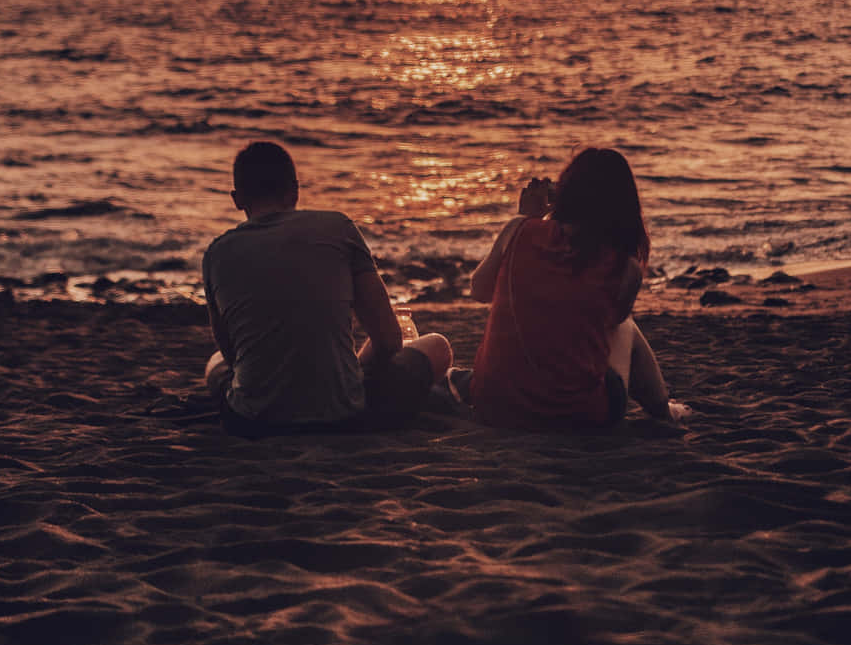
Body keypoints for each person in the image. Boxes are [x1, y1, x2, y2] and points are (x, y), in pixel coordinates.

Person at [202, 141, 452, 437]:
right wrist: (353, 372)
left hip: (252, 423)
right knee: (437, 345)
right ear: (294, 189)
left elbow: (232, 356)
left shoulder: (216, 254)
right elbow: (387, 341)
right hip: (343, 417)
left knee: (215, 363)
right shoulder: (338, 228)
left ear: (237, 198)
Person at [456, 147, 687, 430]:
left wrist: (528, 218)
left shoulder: (519, 231)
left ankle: (664, 408)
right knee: (625, 326)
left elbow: (479, 290)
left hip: (495, 406)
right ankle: (663, 410)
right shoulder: (625, 267)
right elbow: (610, 324)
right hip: (580, 416)